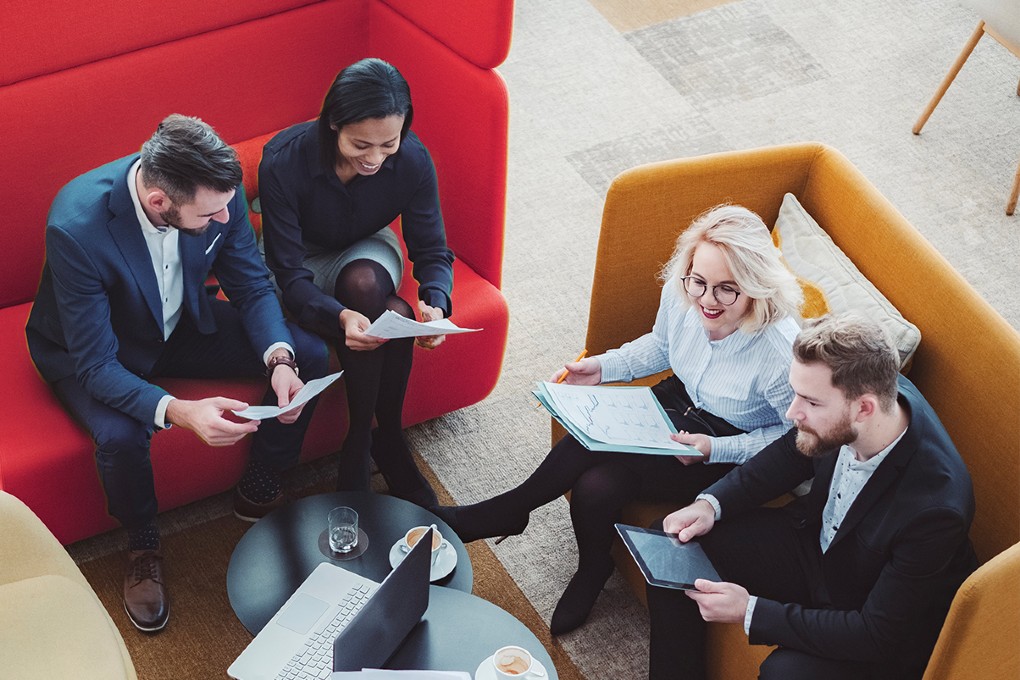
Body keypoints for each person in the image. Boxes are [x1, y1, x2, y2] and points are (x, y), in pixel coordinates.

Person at [435, 205, 804, 634]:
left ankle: (519, 524)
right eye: (699, 282)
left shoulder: (780, 350)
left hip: (723, 446)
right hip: (674, 400)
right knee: (586, 444)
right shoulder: (683, 290)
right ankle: (572, 552)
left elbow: (795, 438)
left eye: (727, 290)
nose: (706, 299)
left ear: (757, 287)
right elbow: (664, 346)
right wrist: (604, 368)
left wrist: (718, 449)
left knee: (598, 484)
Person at [25, 114, 330, 632]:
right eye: (210, 215)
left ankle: (260, 482)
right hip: (94, 352)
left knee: (309, 354)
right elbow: (96, 365)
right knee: (120, 435)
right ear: (158, 202)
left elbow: (253, 286)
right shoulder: (76, 229)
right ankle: (142, 542)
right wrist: (180, 412)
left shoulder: (216, 192)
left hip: (180, 323)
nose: (225, 218)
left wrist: (279, 360)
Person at [646, 314, 977, 680]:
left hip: (871, 610)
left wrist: (750, 610)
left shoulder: (935, 508)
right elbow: (793, 451)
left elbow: (876, 634)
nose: (792, 413)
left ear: (864, 408)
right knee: (671, 549)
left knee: (784, 673)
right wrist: (710, 504)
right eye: (795, 393)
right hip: (814, 545)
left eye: (810, 402)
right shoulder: (864, 396)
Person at [258, 58, 454, 507]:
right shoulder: (284, 161)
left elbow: (430, 247)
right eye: (360, 144)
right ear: (333, 124)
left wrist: (437, 303)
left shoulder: (412, 159)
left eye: (388, 144)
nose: (374, 159)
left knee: (369, 288)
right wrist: (339, 316)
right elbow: (288, 273)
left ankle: (363, 441)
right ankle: (381, 444)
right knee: (393, 313)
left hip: (366, 248)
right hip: (298, 259)